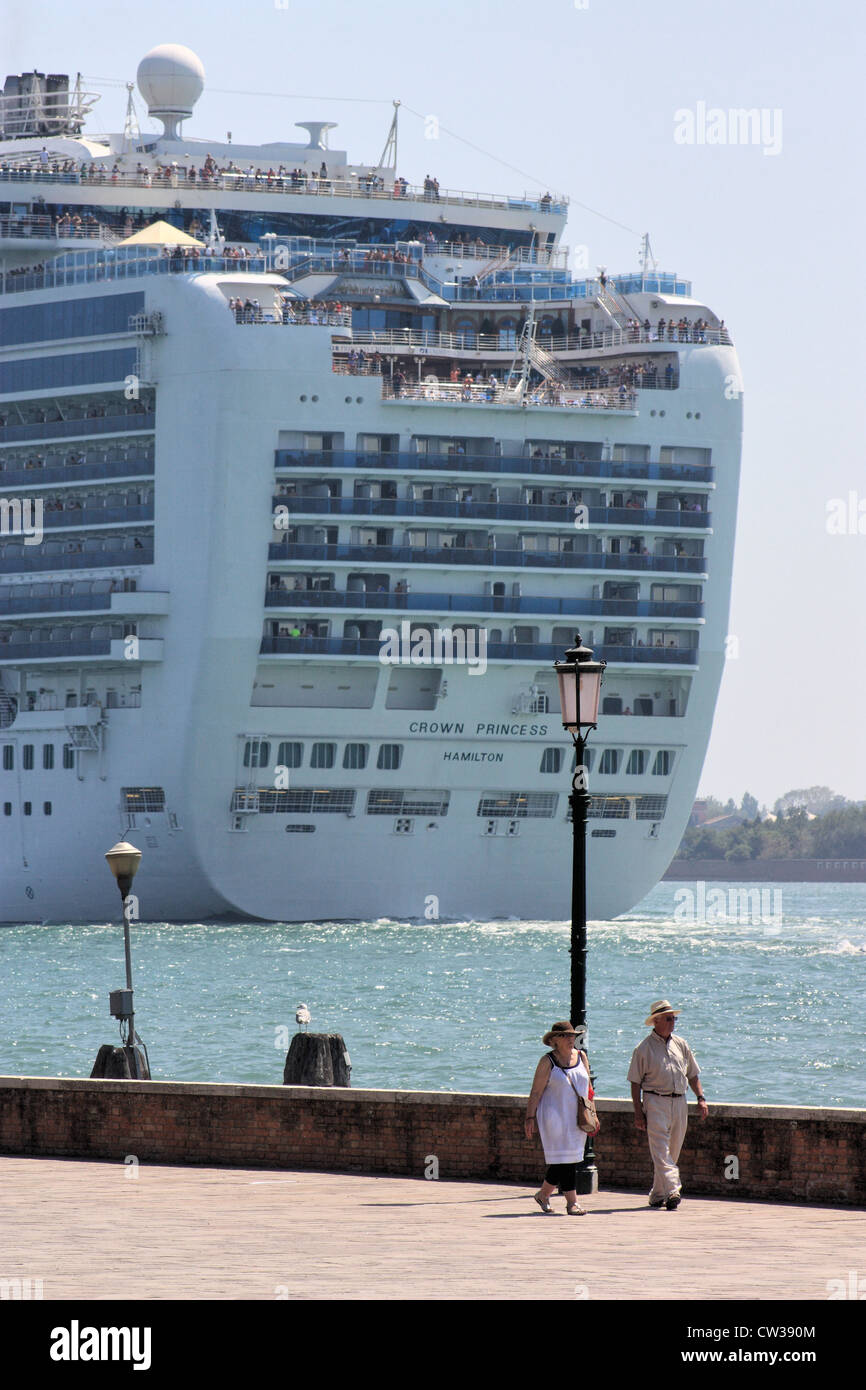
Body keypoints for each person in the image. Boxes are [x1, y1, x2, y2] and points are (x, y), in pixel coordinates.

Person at [627, 999, 707, 1210]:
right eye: (669, 1019)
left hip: (680, 1101)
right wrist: (638, 1112)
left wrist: (701, 1097)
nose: (673, 1022)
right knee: (661, 1151)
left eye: (674, 1018)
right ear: (656, 1021)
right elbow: (635, 1083)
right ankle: (673, 1189)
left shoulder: (681, 1044)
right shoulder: (643, 1049)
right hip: (655, 1101)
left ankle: (657, 1194)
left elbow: (693, 1074)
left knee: (672, 1151)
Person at [524, 1020, 593, 1215]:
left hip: (577, 1116)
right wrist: (529, 1117)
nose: (571, 1039)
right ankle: (572, 1203)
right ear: (555, 1040)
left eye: (573, 1035)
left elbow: (588, 1090)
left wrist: (592, 1114)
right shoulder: (548, 1061)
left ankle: (543, 1195)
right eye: (566, 1036)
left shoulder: (581, 1057)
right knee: (566, 1161)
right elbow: (536, 1092)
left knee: (565, 1159)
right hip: (553, 1116)